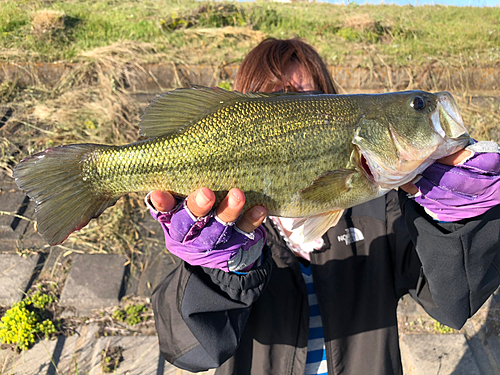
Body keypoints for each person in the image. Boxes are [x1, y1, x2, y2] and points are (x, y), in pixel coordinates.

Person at [147, 38, 500, 375]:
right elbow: (188, 350)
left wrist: (463, 221)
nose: (289, 110)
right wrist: (217, 271)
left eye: (306, 98)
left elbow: (452, 304)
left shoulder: (385, 210)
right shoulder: (210, 230)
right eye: (272, 99)